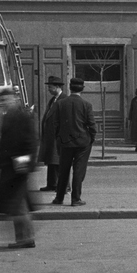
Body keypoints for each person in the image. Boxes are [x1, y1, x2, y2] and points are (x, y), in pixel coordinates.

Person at [0, 99, 40, 249]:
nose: (5, 102)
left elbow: (31, 142)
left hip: (18, 167)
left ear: (14, 100)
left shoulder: (23, 117)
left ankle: (26, 238)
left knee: (17, 205)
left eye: (7, 99)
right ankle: (24, 238)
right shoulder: (6, 116)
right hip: (10, 167)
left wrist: (27, 163)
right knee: (18, 205)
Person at [50, 77, 96, 207]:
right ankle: (76, 198)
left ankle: (59, 198)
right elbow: (92, 125)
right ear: (82, 89)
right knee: (78, 170)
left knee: (63, 170)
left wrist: (59, 138)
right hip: (82, 142)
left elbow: (55, 123)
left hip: (65, 142)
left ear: (70, 88)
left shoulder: (60, 103)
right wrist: (91, 138)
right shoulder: (86, 105)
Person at [38, 75, 64, 191]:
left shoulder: (63, 99)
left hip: (57, 137)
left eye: (50, 87)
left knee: (58, 162)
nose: (48, 89)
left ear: (57, 87)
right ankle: (52, 184)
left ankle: (62, 185)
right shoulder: (53, 100)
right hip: (51, 136)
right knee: (51, 161)